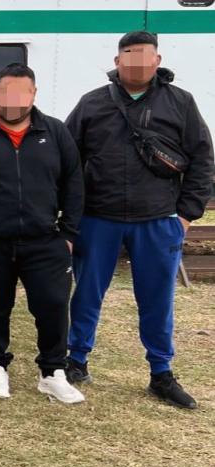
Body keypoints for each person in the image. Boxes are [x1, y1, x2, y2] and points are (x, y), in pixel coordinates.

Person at [64, 31, 213, 409]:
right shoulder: (92, 103)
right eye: (129, 57)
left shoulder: (181, 103)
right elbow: (66, 161)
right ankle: (76, 361)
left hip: (158, 219)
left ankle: (161, 373)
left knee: (157, 299)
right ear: (117, 62)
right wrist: (71, 211)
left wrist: (186, 214)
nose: (137, 64)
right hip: (99, 218)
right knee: (86, 294)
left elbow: (201, 157)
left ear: (157, 61)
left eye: (145, 58)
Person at [0, 63, 85, 403]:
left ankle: (52, 372)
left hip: (45, 241)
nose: (13, 100)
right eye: (5, 91)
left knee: (53, 305)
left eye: (21, 92)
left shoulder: (54, 132)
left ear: (34, 94)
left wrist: (67, 233)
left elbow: (74, 183)